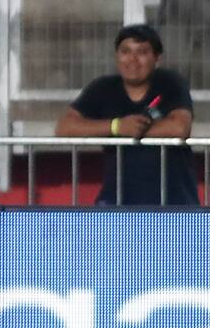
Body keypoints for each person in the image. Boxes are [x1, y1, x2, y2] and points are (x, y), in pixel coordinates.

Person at [55, 24, 198, 205]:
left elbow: (180, 127)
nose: (132, 59)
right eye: (125, 51)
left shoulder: (171, 82)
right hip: (117, 201)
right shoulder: (102, 87)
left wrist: (136, 130)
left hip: (174, 202)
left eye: (142, 52)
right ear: (117, 56)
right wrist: (116, 126)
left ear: (157, 58)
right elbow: (64, 127)